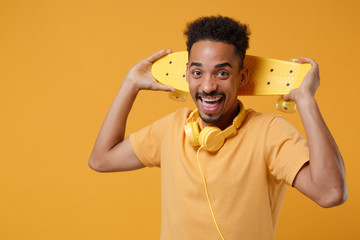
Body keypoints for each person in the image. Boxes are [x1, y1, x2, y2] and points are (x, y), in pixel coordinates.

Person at [89, 16, 347, 240]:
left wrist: (306, 101)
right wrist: (130, 84)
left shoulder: (269, 133)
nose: (208, 86)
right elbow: (101, 160)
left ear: (242, 77)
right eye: (198, 72)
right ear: (187, 74)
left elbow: (331, 193)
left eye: (222, 73)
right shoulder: (171, 129)